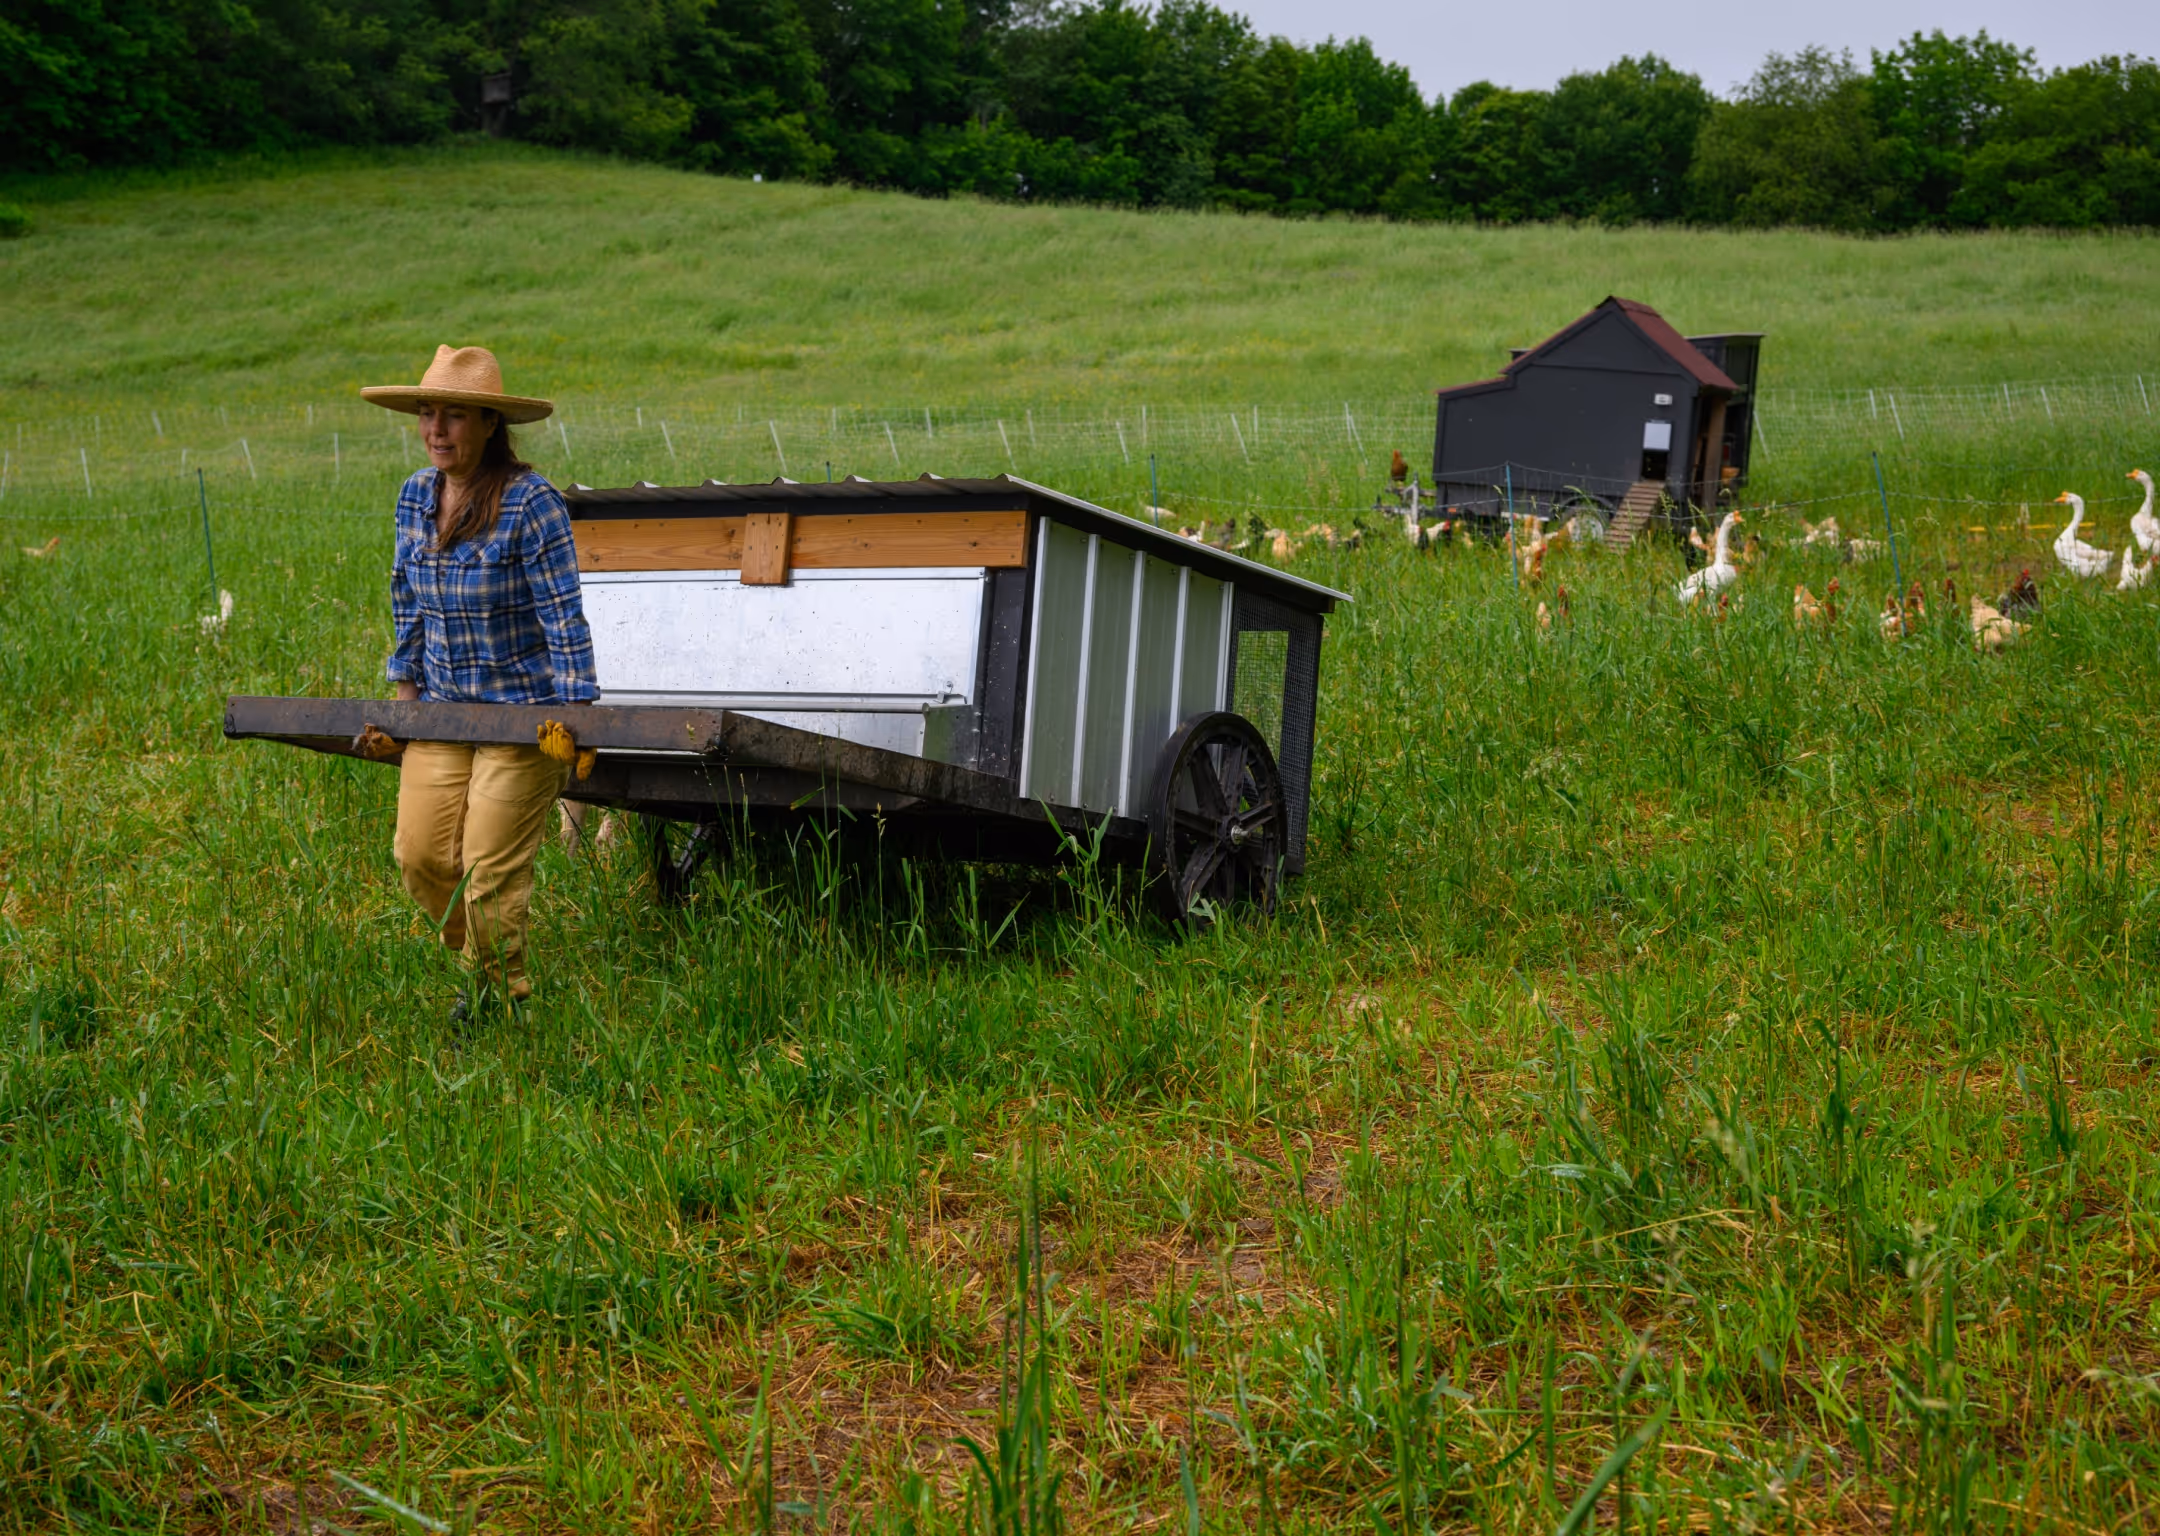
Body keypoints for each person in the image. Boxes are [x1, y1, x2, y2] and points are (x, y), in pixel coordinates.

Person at [360, 345, 597, 1010]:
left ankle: (498, 995)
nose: (437, 429)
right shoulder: (415, 495)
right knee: (421, 858)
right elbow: (406, 602)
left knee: (489, 870)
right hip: (441, 711)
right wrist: (405, 704)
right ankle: (479, 958)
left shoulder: (531, 503)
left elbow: (563, 617)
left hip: (526, 716)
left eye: (455, 415)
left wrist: (578, 721)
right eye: (428, 413)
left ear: (491, 424)